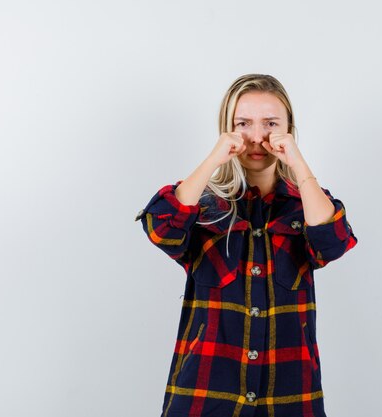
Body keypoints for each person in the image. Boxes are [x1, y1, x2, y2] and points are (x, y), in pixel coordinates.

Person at [135, 74, 358, 417]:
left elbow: (332, 242)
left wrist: (298, 164)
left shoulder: (307, 205)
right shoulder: (203, 205)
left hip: (288, 397)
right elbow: (163, 227)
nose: (257, 137)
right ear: (227, 129)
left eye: (271, 124)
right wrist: (213, 160)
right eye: (244, 124)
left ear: (289, 129)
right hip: (205, 396)